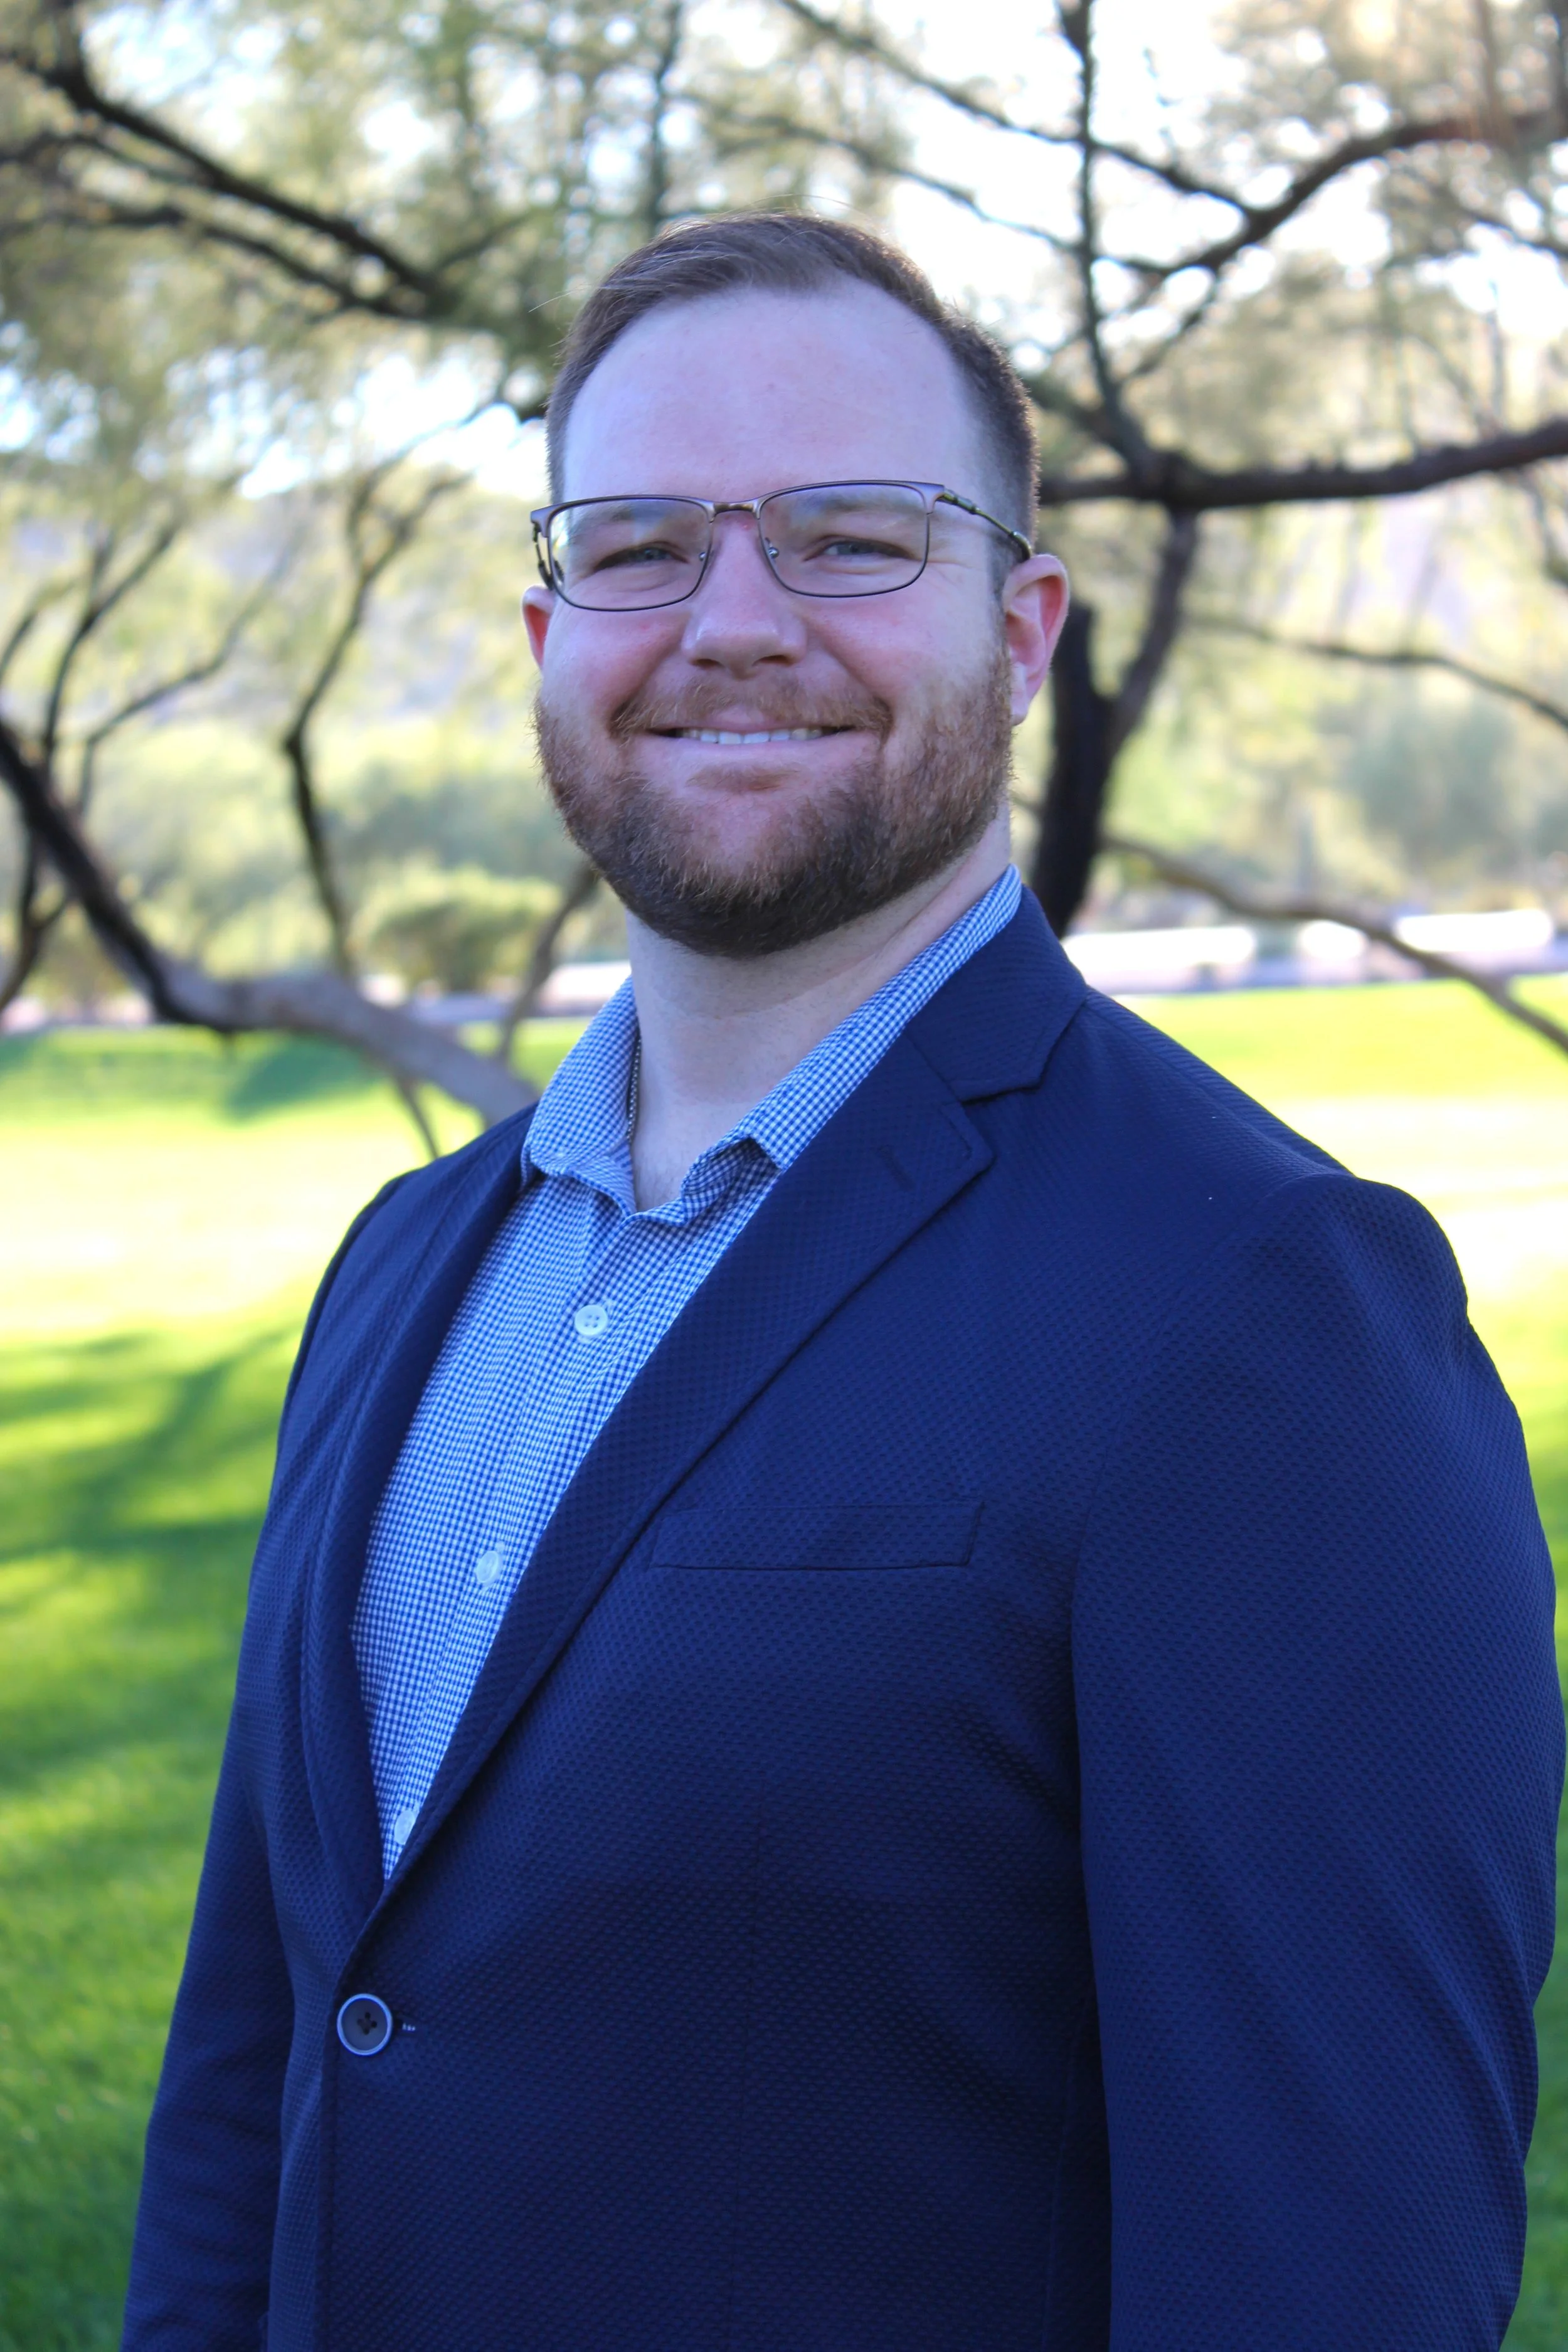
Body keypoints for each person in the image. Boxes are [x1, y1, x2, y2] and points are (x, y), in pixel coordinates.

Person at [123, 214, 1562, 2352]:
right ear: (543, 623)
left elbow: (1318, 2264)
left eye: (850, 535)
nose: (729, 622)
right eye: (634, 547)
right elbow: (264, 2059)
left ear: (1025, 621)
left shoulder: (1262, 1308)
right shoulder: (403, 1268)